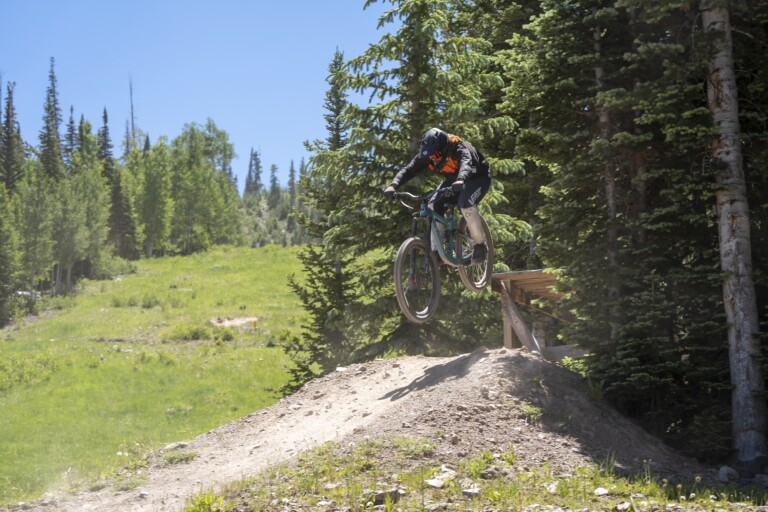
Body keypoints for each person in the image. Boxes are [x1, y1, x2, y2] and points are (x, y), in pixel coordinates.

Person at [384, 127, 492, 264]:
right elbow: (408, 170)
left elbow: (466, 164)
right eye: (429, 156)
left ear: (444, 148)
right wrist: (393, 185)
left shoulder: (459, 148)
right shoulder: (429, 154)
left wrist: (461, 179)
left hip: (478, 178)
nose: (432, 159)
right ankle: (438, 252)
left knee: (465, 204)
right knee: (433, 206)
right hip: (455, 181)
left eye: (434, 155)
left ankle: (480, 245)